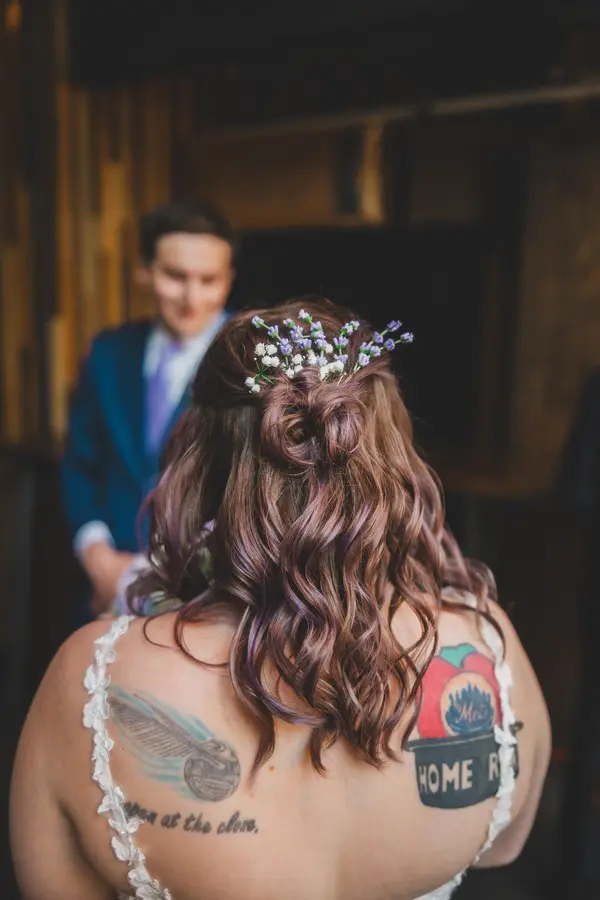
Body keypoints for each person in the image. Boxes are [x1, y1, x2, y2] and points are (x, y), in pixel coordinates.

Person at [12, 298, 550, 900]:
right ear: (392, 457)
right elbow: (503, 843)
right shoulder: (489, 649)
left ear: (201, 463)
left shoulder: (91, 681)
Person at [61, 199, 236, 623]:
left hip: (210, 603)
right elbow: (80, 466)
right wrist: (97, 557)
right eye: (175, 276)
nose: (191, 297)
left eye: (208, 280)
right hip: (106, 591)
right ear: (144, 270)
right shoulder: (107, 353)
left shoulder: (249, 361)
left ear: (229, 280)